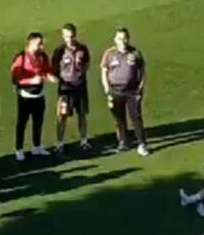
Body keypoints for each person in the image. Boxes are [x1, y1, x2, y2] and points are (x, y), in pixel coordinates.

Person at [101, 27, 149, 156]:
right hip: (115, 91)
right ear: (115, 40)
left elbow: (143, 71)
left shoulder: (135, 53)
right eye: (120, 39)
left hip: (132, 92)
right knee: (119, 118)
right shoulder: (109, 54)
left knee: (136, 118)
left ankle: (142, 144)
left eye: (125, 38)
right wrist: (107, 89)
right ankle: (123, 142)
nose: (122, 41)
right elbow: (104, 71)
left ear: (128, 39)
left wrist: (140, 88)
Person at [10, 32, 57, 161]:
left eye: (41, 43)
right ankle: (19, 149)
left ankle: (37, 146)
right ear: (30, 43)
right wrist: (32, 81)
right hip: (25, 96)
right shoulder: (21, 58)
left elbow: (46, 69)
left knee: (38, 121)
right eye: (38, 44)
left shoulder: (42, 56)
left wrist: (49, 76)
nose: (41, 46)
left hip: (39, 94)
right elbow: (15, 79)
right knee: (22, 123)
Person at [51, 23, 92, 152]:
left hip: (80, 87)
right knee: (62, 115)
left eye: (72, 36)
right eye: (67, 36)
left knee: (82, 114)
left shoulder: (82, 49)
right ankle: (60, 143)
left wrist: (80, 75)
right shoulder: (59, 51)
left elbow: (87, 63)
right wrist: (61, 80)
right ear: (63, 36)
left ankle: (84, 141)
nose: (70, 39)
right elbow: (54, 68)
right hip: (65, 89)